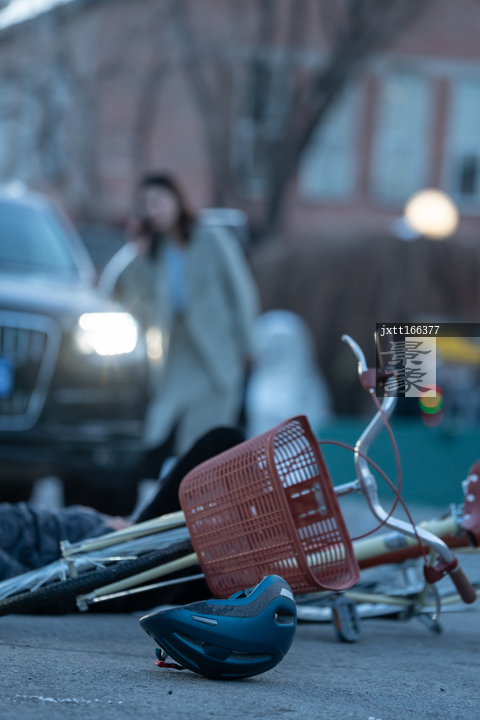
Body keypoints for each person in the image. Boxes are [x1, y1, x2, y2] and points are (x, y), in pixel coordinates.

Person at [114, 173, 259, 478]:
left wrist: (247, 344)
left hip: (217, 351)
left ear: (177, 201)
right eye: (147, 204)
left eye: (159, 201)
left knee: (210, 433)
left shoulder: (210, 237)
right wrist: (139, 252)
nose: (154, 209)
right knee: (162, 428)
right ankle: (178, 490)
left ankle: (206, 492)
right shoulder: (153, 253)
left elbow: (240, 288)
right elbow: (136, 302)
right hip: (176, 354)